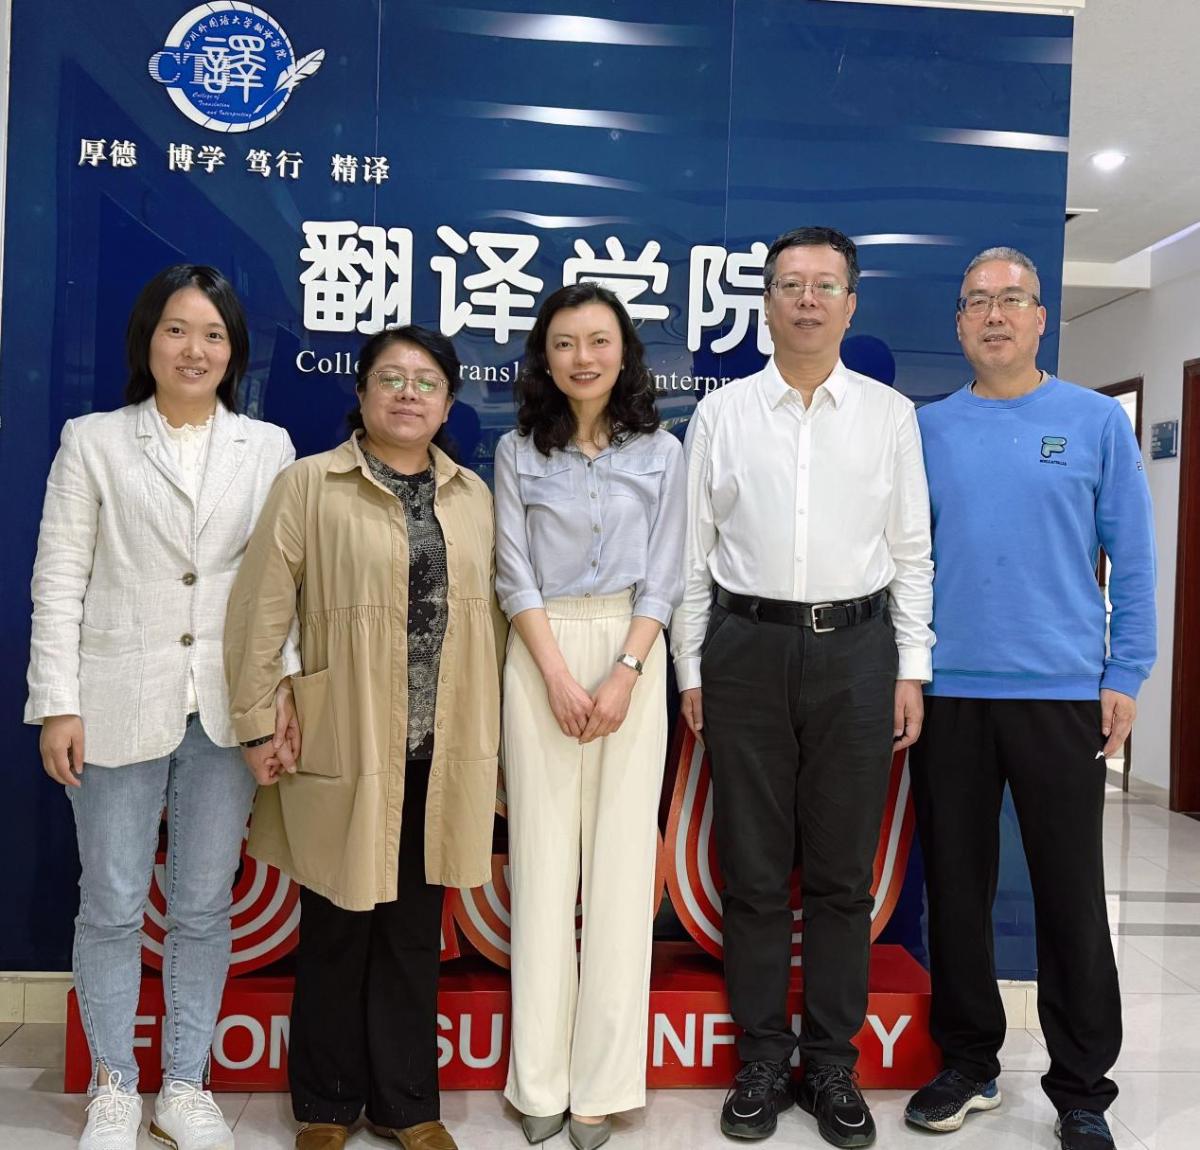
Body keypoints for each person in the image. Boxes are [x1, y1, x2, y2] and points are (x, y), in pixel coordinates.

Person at [671, 227, 933, 1148]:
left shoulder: (889, 417)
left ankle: (830, 1065)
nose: (808, 300)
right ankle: (759, 1060)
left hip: (857, 654)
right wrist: (691, 669)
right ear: (767, 303)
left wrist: (911, 669)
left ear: (851, 304)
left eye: (826, 286)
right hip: (744, 650)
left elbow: (911, 553)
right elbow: (692, 557)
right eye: (791, 285)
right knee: (751, 870)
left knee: (839, 875)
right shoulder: (722, 415)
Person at [25, 264, 297, 1150]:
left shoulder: (267, 448)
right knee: (109, 902)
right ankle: (113, 1084)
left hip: (223, 707)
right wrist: (56, 702)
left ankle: (186, 1082)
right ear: (148, 339)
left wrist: (278, 695)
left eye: (213, 334)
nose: (194, 349)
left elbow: (282, 588)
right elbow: (59, 578)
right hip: (113, 699)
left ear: (234, 352)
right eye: (177, 329)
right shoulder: (94, 440)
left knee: (204, 905)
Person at [224, 325, 503, 1150]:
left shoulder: (472, 497)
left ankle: (408, 1104)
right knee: (338, 923)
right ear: (362, 392)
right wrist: (254, 721)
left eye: (426, 382)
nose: (408, 394)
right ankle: (326, 1104)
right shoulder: (310, 485)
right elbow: (260, 610)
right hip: (344, 737)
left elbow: (489, 624)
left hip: (438, 749)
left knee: (415, 932)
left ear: (448, 403)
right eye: (392, 378)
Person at [904, 248, 1156, 1150]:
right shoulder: (926, 429)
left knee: (1071, 895)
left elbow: (1134, 556)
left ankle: (1082, 1088)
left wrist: (1125, 673)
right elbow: (907, 562)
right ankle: (969, 1062)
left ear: (1041, 317)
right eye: (978, 302)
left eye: (1012, 300)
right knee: (955, 889)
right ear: (959, 323)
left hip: (1062, 695)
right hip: (951, 695)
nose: (995, 316)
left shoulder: (1093, 422)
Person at [496, 282, 685, 1150]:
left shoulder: (662, 451)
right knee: (541, 866)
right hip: (539, 650)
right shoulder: (516, 452)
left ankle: (602, 1085)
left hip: (632, 653)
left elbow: (667, 573)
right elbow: (512, 572)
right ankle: (538, 1078)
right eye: (565, 342)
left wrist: (623, 674)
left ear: (624, 352)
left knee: (619, 872)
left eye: (599, 341)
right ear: (545, 357)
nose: (583, 357)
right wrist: (556, 676)